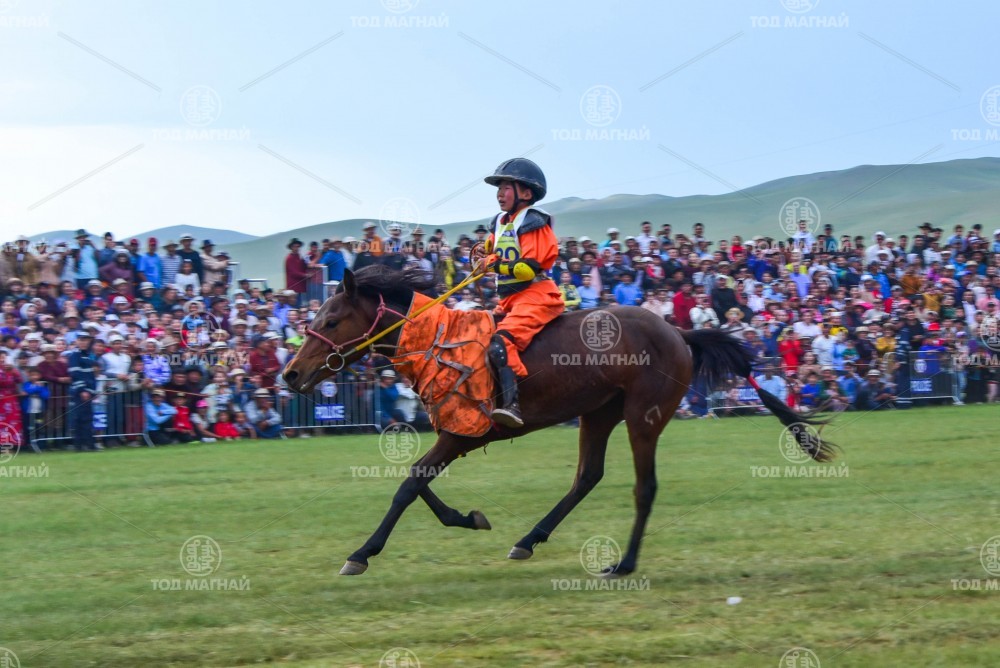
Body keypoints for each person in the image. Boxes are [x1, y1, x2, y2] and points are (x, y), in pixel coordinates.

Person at [482, 158, 564, 427]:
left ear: (526, 194)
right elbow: (491, 251)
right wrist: (482, 256)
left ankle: (513, 406)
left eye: (506, 187)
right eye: (499, 188)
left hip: (535, 295)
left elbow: (527, 269)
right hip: (509, 299)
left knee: (501, 341)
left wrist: (494, 264)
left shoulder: (533, 221)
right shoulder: (500, 222)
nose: (499, 193)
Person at [67, 331, 99, 451]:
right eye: (81, 340)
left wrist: (92, 391)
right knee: (80, 419)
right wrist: (82, 390)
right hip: (80, 393)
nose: (83, 342)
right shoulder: (75, 355)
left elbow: (91, 376)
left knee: (87, 419)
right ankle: (80, 445)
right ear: (77, 341)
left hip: (87, 392)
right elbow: (75, 374)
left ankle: (87, 444)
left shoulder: (88, 355)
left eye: (86, 340)